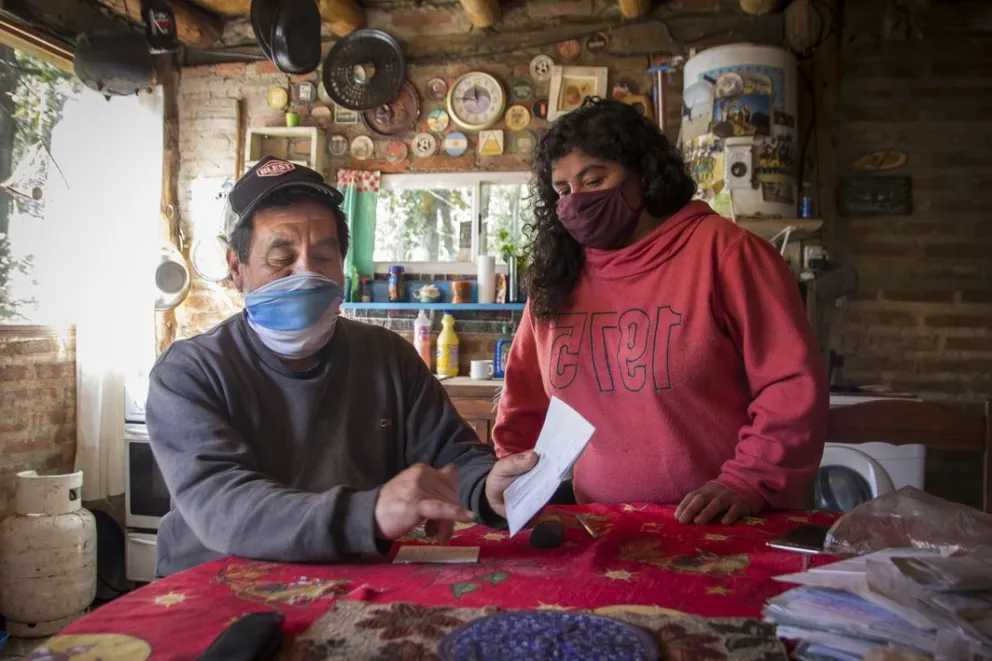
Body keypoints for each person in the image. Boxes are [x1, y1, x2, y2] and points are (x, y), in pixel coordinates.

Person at [147, 156, 536, 576]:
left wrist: (485, 487)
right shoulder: (189, 373)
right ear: (236, 267)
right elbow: (223, 505)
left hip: (348, 581)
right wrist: (368, 514)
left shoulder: (387, 357)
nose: (306, 274)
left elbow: (453, 454)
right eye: (282, 257)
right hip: (213, 584)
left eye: (323, 256)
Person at [493, 99, 827, 525]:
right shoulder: (558, 276)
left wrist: (749, 480)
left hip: (724, 522)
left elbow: (792, 386)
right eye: (562, 191)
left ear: (643, 174)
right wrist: (515, 483)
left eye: (594, 179)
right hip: (601, 525)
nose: (576, 201)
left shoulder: (725, 253)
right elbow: (523, 400)